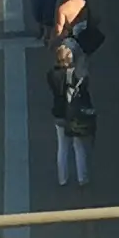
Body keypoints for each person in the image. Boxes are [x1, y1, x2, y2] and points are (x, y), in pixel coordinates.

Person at [48, 38, 96, 188]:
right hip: (74, 113)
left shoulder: (51, 74)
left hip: (59, 113)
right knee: (78, 146)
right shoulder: (74, 74)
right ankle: (82, 178)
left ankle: (62, 178)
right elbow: (84, 87)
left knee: (62, 147)